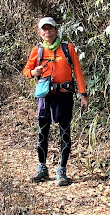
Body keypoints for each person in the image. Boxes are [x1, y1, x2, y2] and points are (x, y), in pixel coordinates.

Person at [23, 17, 88, 186]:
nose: (47, 32)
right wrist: (33, 72)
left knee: (64, 132)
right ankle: (42, 168)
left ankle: (62, 170)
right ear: (40, 33)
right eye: (44, 29)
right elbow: (26, 71)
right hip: (45, 95)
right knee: (42, 131)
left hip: (64, 95)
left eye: (50, 28)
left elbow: (78, 73)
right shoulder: (37, 50)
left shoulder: (67, 48)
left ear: (56, 30)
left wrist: (83, 94)